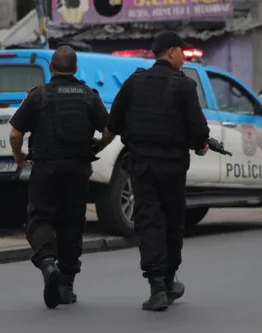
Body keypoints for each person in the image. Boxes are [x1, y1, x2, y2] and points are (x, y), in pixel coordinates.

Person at [93, 31, 211, 311]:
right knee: (172, 222)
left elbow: (113, 124)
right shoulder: (184, 86)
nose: (184, 55)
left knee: (148, 222)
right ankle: (169, 279)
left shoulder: (134, 82)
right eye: (181, 51)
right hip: (172, 167)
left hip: (142, 167)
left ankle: (157, 284)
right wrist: (201, 146)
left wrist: (97, 146)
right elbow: (199, 131)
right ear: (171, 52)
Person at [8, 46, 109, 309]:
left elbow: (15, 133)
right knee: (72, 223)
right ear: (75, 69)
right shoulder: (89, 96)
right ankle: (66, 285)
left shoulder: (38, 96)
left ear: (51, 67)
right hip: (78, 170)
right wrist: (98, 145)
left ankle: (48, 264)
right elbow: (110, 129)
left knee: (40, 218)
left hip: (46, 168)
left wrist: (18, 154)